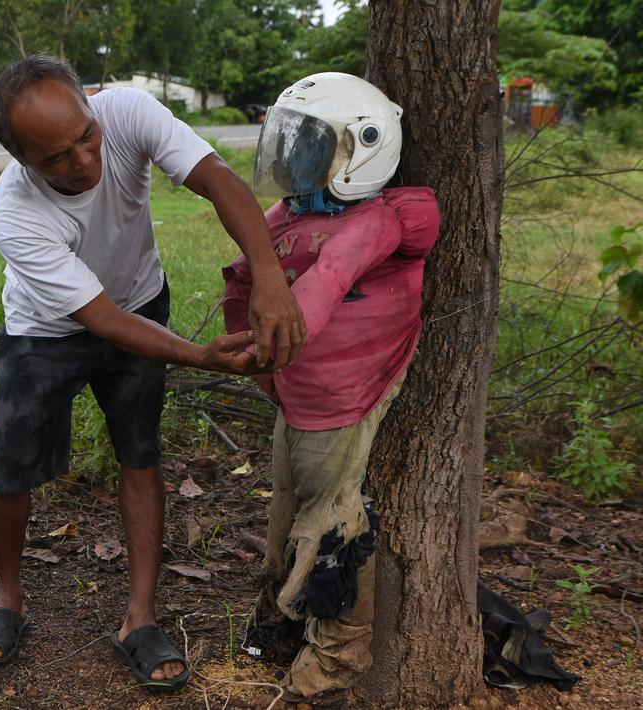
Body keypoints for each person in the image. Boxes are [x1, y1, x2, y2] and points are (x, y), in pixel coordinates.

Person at [0, 54, 306, 693]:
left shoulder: (127, 111)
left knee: (140, 453)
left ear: (91, 104)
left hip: (141, 300)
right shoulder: (14, 214)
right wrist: (199, 354)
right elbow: (98, 318)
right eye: (56, 157)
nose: (85, 162)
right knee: (11, 470)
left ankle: (139, 620)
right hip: (47, 330)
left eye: (86, 136)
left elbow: (221, 181)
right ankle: (9, 598)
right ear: (18, 157)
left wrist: (269, 277)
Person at [221, 72, 440, 706]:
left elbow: (334, 271)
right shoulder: (289, 213)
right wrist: (259, 362)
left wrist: (279, 338)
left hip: (345, 396)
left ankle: (337, 660)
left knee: (332, 522)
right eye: (290, 142)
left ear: (361, 150)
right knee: (286, 509)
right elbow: (243, 279)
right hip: (298, 393)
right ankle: (283, 622)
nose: (294, 158)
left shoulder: (385, 218)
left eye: (312, 145)